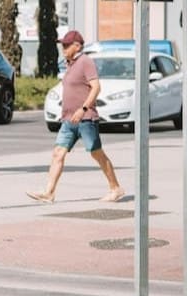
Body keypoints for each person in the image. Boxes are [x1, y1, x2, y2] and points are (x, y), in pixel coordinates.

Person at [27, 30, 125, 204]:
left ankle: (115, 188)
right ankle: (49, 192)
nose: (62, 48)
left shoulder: (86, 62)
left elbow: (96, 87)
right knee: (58, 153)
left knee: (97, 154)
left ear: (77, 46)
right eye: (62, 45)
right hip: (68, 120)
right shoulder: (70, 64)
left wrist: (83, 109)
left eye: (66, 45)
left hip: (86, 119)